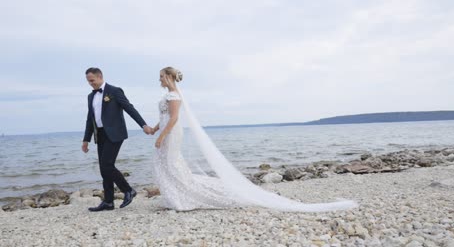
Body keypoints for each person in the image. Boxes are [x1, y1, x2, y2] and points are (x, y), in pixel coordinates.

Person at [152, 67, 358, 212]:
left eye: (161, 77)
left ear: (169, 77)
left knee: (172, 163)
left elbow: (174, 118)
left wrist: (161, 135)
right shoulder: (170, 96)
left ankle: (182, 198)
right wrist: (154, 128)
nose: (159, 80)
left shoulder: (174, 96)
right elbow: (164, 118)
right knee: (169, 164)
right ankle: (176, 196)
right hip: (167, 131)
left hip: (171, 133)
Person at [82, 67, 153, 212]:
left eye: (92, 80)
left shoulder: (114, 91)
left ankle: (128, 190)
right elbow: (90, 119)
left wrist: (143, 124)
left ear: (100, 76)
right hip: (100, 134)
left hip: (115, 133)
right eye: (88, 82)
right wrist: (86, 139)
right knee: (104, 169)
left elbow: (129, 108)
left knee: (107, 165)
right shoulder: (90, 96)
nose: (90, 84)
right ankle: (108, 202)